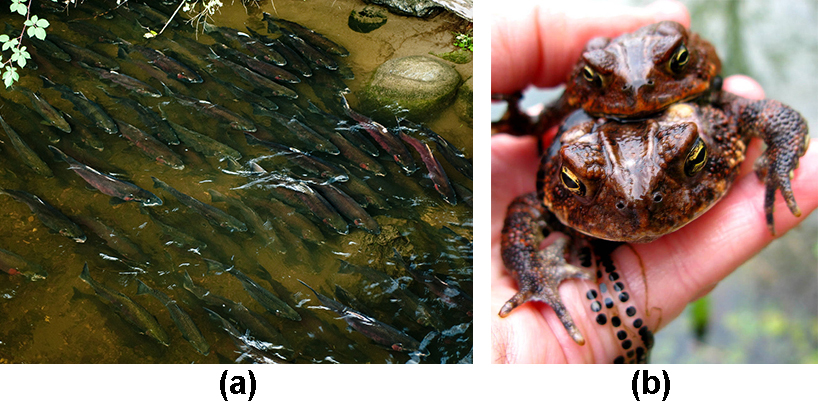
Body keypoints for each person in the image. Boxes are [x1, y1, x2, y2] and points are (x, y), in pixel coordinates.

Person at [491, 0, 818, 363]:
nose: (636, 202)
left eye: (692, 158)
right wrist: (533, 275)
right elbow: (526, 209)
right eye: (575, 179)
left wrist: (779, 161)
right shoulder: (579, 131)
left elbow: (781, 121)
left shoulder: (712, 115)